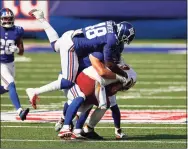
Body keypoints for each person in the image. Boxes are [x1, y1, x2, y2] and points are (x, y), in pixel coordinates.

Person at [27, 9, 135, 138]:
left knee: (56, 46)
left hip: (71, 36)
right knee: (69, 83)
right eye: (124, 40)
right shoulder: (110, 42)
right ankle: (36, 92)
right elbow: (108, 64)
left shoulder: (111, 24)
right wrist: (122, 76)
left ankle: (41, 19)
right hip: (72, 45)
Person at [56, 62, 137, 140]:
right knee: (104, 105)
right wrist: (118, 130)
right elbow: (114, 108)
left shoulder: (118, 67)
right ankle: (85, 129)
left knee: (85, 102)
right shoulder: (124, 78)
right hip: (91, 79)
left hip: (82, 75)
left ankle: (68, 125)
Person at [0, 8, 29, 120]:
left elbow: (21, 52)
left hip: (10, 63)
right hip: (1, 64)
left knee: (7, 88)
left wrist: (17, 50)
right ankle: (19, 111)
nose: (7, 21)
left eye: (9, 18)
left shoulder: (18, 30)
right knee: (11, 84)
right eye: (5, 18)